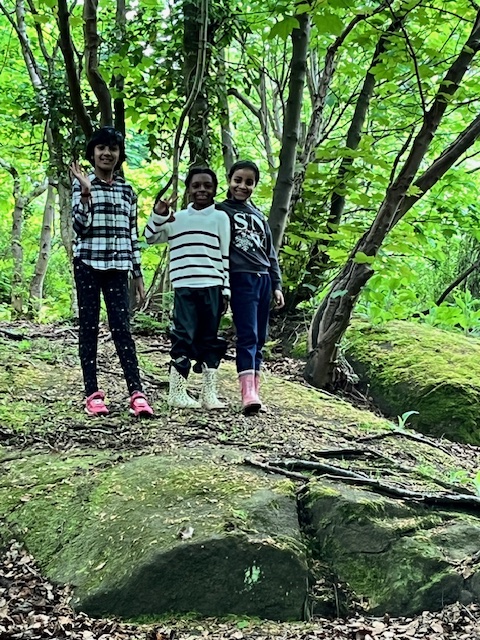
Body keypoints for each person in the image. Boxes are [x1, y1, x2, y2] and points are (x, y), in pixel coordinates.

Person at [70, 126, 153, 418]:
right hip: (88, 264)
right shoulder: (83, 185)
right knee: (89, 327)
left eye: (113, 148)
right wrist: (85, 192)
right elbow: (79, 228)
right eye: (101, 148)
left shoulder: (127, 191)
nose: (107, 153)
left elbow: (132, 235)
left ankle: (137, 392)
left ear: (120, 154)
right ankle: (92, 393)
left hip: (118, 267)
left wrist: (138, 273)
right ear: (92, 153)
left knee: (122, 328)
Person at [144, 168, 230, 410]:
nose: (202, 190)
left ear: (215, 189)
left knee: (210, 338)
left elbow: (225, 255)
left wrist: (226, 290)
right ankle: (177, 392)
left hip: (212, 286)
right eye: (196, 186)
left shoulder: (221, 218)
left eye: (207, 186)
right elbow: (149, 237)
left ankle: (208, 394)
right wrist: (159, 214)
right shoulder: (177, 219)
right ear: (188, 189)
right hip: (184, 287)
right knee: (183, 335)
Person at [216, 160, 284, 414]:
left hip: (263, 279)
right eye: (238, 180)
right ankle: (247, 393)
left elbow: (270, 253)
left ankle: (255, 389)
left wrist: (276, 284)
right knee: (248, 334)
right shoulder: (220, 211)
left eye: (249, 182)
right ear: (229, 180)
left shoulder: (259, 216)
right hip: (240, 278)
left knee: (261, 337)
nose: (242, 186)